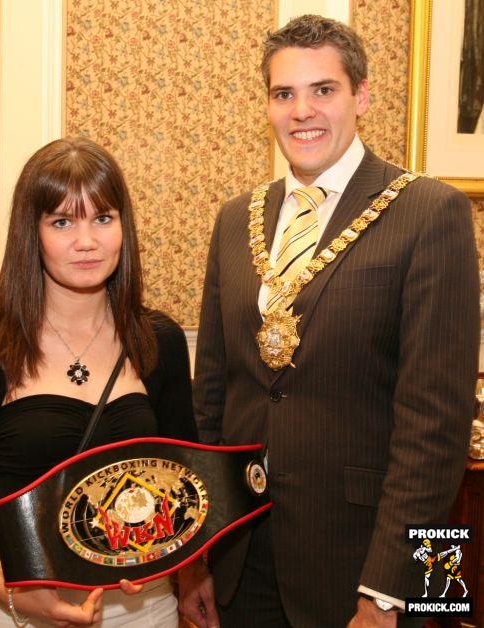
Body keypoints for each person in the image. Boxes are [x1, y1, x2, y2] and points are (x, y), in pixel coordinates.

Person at [178, 14, 480, 628]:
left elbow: (437, 428)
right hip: (243, 558)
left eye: (323, 90)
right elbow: (211, 399)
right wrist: (197, 556)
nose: (301, 111)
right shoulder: (235, 220)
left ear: (361, 96)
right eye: (283, 93)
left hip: (371, 562)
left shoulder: (431, 211)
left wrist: (389, 593)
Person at [0, 137, 199, 627]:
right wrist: (5, 588)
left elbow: (188, 490)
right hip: (16, 608)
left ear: (123, 228)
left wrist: (167, 557)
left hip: (145, 608)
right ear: (33, 232)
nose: (86, 241)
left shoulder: (158, 341)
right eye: (62, 221)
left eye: (103, 218)